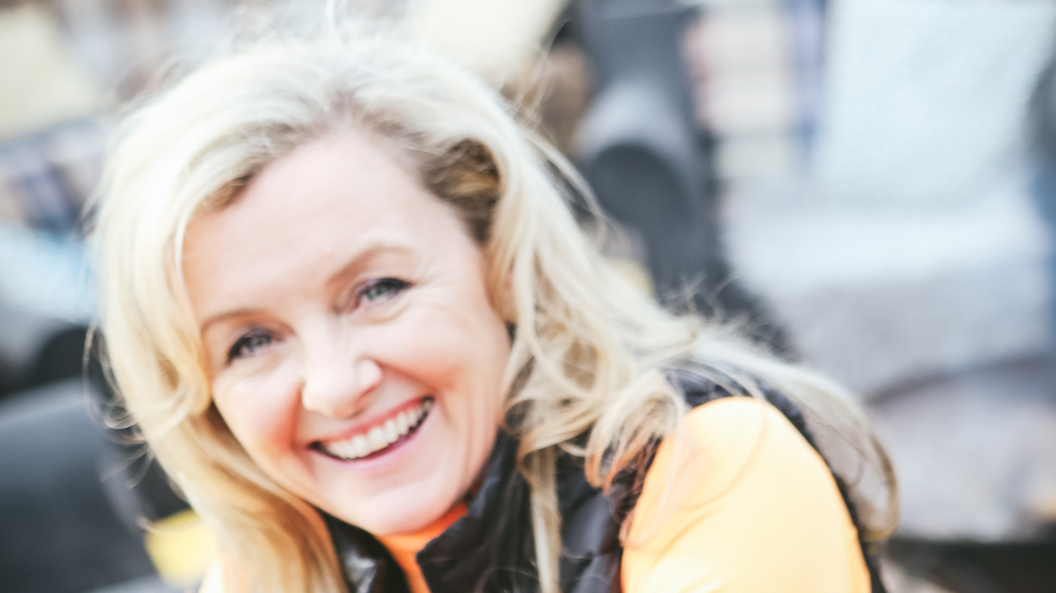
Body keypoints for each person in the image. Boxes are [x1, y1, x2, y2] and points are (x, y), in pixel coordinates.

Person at [92, 26, 897, 593]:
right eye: (252, 341)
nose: (335, 387)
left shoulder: (705, 464)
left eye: (378, 290)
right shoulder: (270, 564)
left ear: (501, 261)